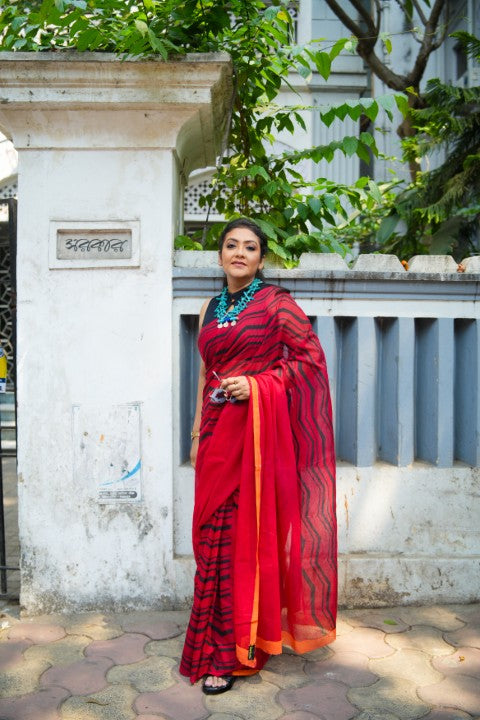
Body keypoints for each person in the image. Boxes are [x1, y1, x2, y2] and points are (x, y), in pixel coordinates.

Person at [179, 218, 337, 694]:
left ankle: (232, 654)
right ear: (221, 255)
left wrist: (255, 384)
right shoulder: (210, 305)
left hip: (254, 442)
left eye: (250, 247)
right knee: (210, 543)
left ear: (261, 259)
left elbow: (308, 360)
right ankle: (208, 642)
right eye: (232, 245)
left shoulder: (276, 304)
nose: (240, 253)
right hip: (214, 436)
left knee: (238, 543)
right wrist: (194, 433)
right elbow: (206, 372)